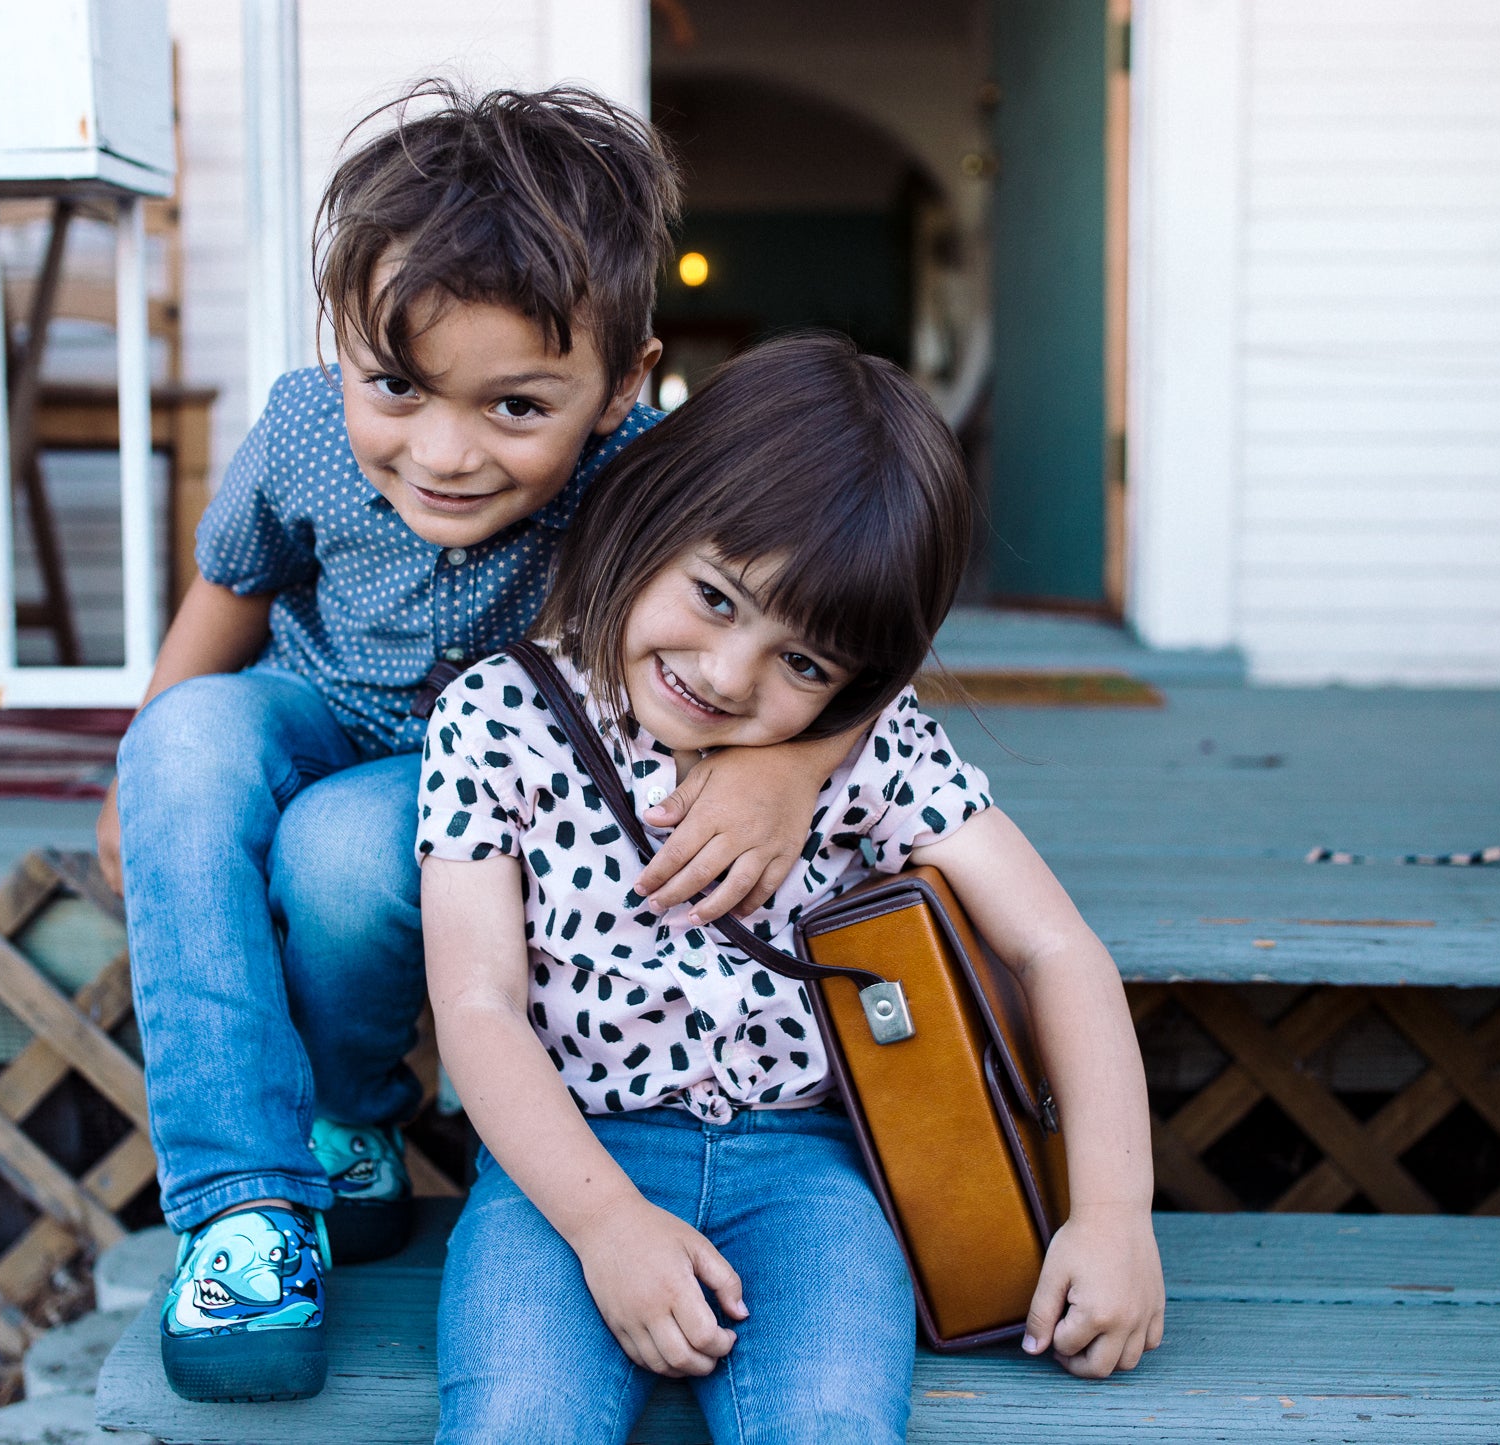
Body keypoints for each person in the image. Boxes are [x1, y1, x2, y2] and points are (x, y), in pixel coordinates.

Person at [105, 84, 862, 1404]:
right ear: (344, 340)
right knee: (185, 747)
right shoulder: (301, 428)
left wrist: (787, 764)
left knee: (343, 851)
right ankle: (244, 1206)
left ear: (624, 381)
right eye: (396, 385)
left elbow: (842, 617)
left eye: (515, 407)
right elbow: (234, 585)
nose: (444, 454)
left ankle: (348, 1120)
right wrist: (145, 758)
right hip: (318, 706)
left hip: (483, 784)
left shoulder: (647, 472)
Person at [418, 333, 1166, 1444]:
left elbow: (1057, 948)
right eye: (715, 598)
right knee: (518, 1419)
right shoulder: (497, 717)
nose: (728, 675)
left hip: (806, 1172)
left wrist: (1112, 1215)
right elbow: (474, 1002)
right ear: (649, 517)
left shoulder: (874, 751)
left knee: (827, 1421)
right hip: (564, 1171)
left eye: (805, 662)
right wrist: (607, 1221)